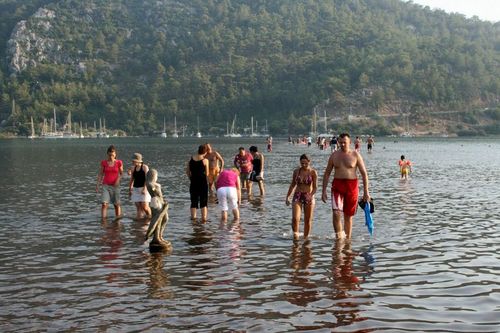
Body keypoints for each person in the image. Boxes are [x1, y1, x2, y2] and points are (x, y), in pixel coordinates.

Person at [321, 133, 370, 239]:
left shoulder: (355, 155)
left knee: (348, 216)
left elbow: (364, 174)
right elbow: (327, 173)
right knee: (336, 213)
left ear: (350, 142)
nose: (342, 144)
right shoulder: (334, 155)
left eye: (345, 142)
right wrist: (323, 190)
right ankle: (339, 239)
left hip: (352, 187)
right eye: (341, 142)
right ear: (338, 142)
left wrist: (366, 192)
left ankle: (347, 240)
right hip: (337, 186)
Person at [285, 154, 318, 240]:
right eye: (302, 163)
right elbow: (292, 185)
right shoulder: (296, 171)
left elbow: (315, 188)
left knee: (307, 220)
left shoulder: (313, 172)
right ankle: (295, 237)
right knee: (295, 219)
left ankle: (305, 239)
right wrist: (288, 196)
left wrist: (310, 195)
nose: (303, 165)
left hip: (308, 195)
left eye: (305, 163)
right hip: (298, 195)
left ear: (309, 162)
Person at [145, 169, 171, 251]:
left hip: (160, 201)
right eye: (156, 175)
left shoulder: (154, 184)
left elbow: (160, 194)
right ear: (153, 176)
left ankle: (160, 235)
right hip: (155, 202)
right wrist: (154, 188)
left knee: (165, 218)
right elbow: (154, 191)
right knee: (158, 220)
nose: (157, 177)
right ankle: (156, 238)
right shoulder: (150, 184)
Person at [96, 145, 124, 219]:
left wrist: (118, 180)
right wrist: (97, 185)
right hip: (106, 185)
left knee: (116, 204)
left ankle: (118, 220)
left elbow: (121, 174)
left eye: (112, 155)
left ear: (115, 154)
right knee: (104, 204)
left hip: (115, 186)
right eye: (109, 155)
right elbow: (101, 174)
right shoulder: (104, 163)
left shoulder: (119, 162)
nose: (111, 156)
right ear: (107, 154)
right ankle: (103, 220)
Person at [186, 144, 209, 221]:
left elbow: (187, 172)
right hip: (202, 183)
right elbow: (207, 173)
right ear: (205, 152)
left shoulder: (190, 160)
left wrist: (191, 179)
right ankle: (204, 219)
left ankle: (193, 219)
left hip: (193, 183)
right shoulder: (205, 160)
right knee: (203, 201)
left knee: (193, 201)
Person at [128, 153, 152, 219]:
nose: (132, 162)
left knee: (145, 206)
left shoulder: (145, 167)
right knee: (138, 206)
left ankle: (150, 218)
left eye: (134, 161)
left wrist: (145, 189)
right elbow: (132, 179)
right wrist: (130, 189)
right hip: (135, 189)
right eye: (132, 161)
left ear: (138, 161)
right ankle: (139, 222)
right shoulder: (133, 168)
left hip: (144, 188)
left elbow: (147, 179)